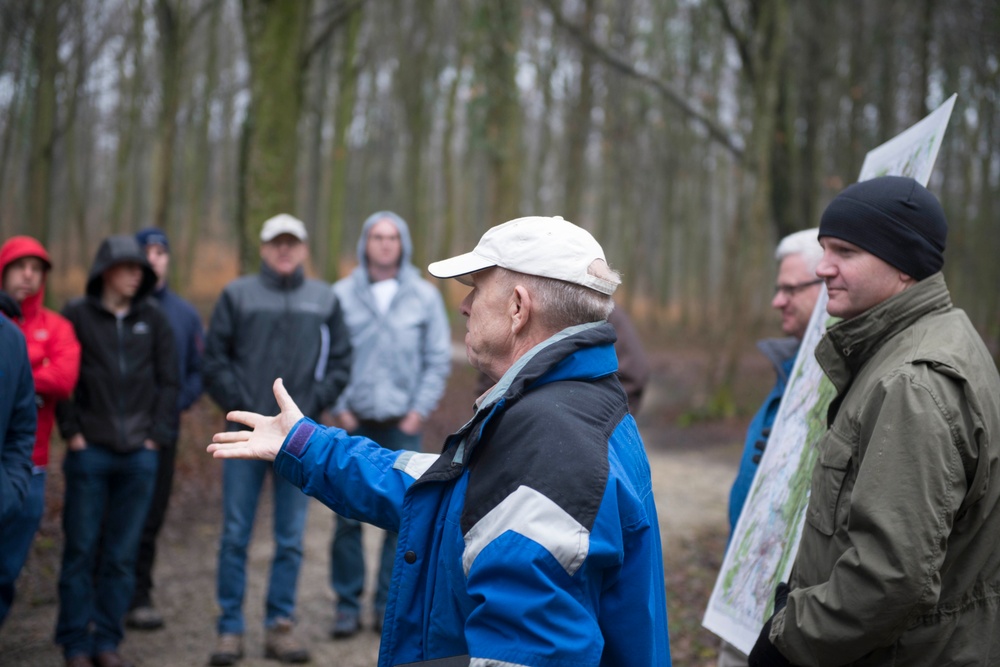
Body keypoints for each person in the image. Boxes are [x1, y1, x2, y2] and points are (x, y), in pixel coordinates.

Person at [209, 215, 672, 667]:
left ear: (517, 307)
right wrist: (307, 444)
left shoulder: (549, 445)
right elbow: (445, 493)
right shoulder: (570, 406)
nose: (464, 305)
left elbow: (527, 651)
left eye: (477, 287)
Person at [748, 176, 1000, 666]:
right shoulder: (930, 340)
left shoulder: (914, 383)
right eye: (824, 249)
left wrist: (791, 638)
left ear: (903, 263)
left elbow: (890, 578)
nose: (823, 268)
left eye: (844, 251)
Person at [203, 214, 351, 666]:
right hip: (247, 436)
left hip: (300, 438)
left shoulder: (323, 298)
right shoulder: (237, 294)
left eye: (292, 243)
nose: (284, 250)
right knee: (235, 534)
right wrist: (240, 405)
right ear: (264, 247)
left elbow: (343, 359)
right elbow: (214, 359)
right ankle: (230, 629)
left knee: (289, 538)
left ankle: (279, 626)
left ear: (304, 248)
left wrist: (316, 405)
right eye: (276, 243)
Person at [55, 234, 178, 667]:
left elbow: (169, 382)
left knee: (122, 555)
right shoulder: (76, 315)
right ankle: (74, 643)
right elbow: (63, 377)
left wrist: (155, 436)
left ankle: (107, 641)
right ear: (105, 271)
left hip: (139, 455)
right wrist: (71, 432)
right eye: (128, 267)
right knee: (81, 549)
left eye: (140, 270)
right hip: (90, 451)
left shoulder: (155, 318)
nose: (136, 275)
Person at [328, 211, 452, 638]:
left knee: (400, 513)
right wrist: (338, 407)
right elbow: (328, 355)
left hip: (403, 422)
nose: (384, 244)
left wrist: (418, 410)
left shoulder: (423, 296)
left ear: (403, 244)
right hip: (353, 419)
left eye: (392, 237)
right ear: (365, 243)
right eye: (377, 237)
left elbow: (437, 357)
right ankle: (346, 605)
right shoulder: (341, 295)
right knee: (344, 515)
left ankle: (387, 606)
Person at [717, 229, 823, 666]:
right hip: (747, 601)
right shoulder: (792, 372)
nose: (778, 301)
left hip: (789, 623)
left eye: (791, 289)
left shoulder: (844, 384)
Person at [123, 228, 204, 631]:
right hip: (117, 431)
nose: (153, 258)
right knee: (111, 518)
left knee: (150, 517)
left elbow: (196, 371)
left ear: (168, 259)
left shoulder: (185, 315)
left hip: (164, 432)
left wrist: (172, 406)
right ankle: (103, 598)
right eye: (146, 252)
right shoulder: (117, 307)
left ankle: (139, 596)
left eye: (160, 252)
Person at [0, 237, 81, 627]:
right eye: (19, 266)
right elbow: (49, 376)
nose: (28, 276)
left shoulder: (58, 326)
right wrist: (37, 368)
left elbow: (64, 380)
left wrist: (14, 373)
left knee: (6, 570)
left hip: (30, 468)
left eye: (36, 268)